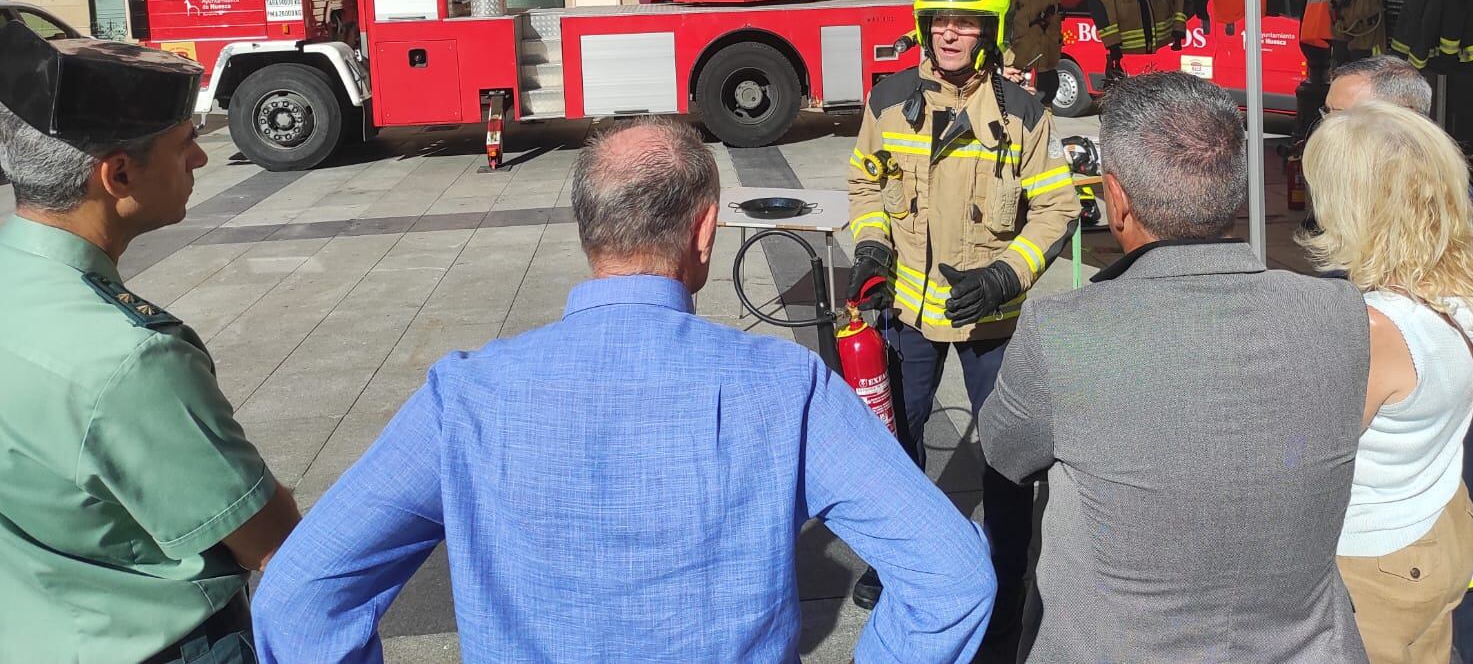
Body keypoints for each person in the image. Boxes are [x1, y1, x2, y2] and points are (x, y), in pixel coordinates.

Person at [254, 118, 997, 663]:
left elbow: (299, 598)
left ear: (589, 230)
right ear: (706, 232)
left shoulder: (466, 397)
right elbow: (954, 578)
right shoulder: (786, 386)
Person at [980, 71, 1370, 664]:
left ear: (1117, 198)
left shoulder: (1063, 329)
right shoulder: (1340, 313)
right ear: (1236, 193)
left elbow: (1005, 453)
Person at [0, 23, 301, 664]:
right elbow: (272, 542)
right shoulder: (131, 360)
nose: (200, 159)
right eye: (186, 142)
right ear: (118, 174)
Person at [846, 0, 1081, 634]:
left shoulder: (1023, 114)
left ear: (990, 31)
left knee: (1006, 451)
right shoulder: (889, 99)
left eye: (966, 22)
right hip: (910, 314)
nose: (950, 34)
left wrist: (1007, 274)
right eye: (939, 20)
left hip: (991, 320)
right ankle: (897, 559)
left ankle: (1009, 565)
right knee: (896, 439)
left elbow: (1057, 210)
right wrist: (869, 249)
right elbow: (864, 183)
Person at [1323, 57, 1473, 663]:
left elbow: (1310, 448)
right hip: (1437, 517)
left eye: (1347, 120)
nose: (1328, 134)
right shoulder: (1459, 265)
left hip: (1388, 549)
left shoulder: (1387, 321)